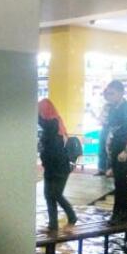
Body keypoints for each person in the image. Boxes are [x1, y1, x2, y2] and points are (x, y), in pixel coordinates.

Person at [104, 81, 127, 225]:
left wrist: (126, 150)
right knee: (118, 181)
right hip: (115, 147)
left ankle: (122, 212)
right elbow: (111, 128)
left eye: (112, 93)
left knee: (121, 180)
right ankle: (120, 212)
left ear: (120, 92)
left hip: (125, 148)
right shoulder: (112, 109)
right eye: (108, 93)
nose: (109, 96)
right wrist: (108, 144)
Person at [38, 99, 77, 232]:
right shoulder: (56, 124)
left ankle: (72, 217)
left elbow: (51, 149)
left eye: (39, 111)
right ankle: (53, 224)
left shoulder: (52, 125)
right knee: (49, 195)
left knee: (55, 194)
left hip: (58, 167)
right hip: (53, 167)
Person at [95, 102, 111, 176]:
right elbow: (99, 122)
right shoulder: (103, 113)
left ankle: (109, 169)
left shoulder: (114, 113)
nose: (106, 109)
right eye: (105, 107)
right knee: (101, 150)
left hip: (110, 131)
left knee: (109, 150)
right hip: (103, 130)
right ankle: (101, 169)